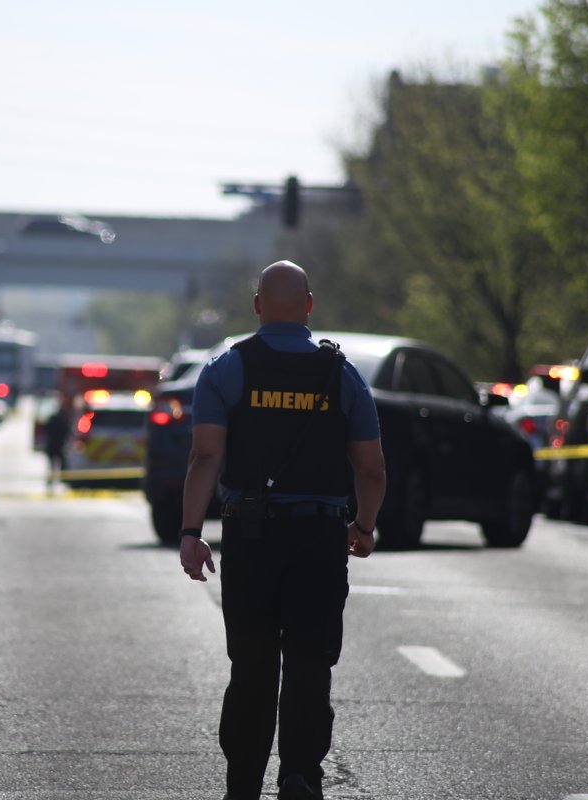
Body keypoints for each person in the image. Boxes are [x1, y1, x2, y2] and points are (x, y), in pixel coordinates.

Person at [179, 260, 386, 800]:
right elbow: (371, 468)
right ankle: (300, 776)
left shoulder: (228, 369)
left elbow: (205, 456)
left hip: (251, 537)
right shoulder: (340, 375)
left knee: (251, 663)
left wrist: (190, 531)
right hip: (319, 540)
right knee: (310, 661)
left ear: (256, 306)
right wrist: (364, 526)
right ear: (310, 305)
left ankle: (243, 783)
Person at [43, 391, 73, 493]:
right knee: (61, 465)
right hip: (59, 445)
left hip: (52, 445)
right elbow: (68, 431)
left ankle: (52, 482)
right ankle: (62, 481)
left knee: (52, 466)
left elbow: (46, 430)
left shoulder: (52, 419)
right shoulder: (63, 419)